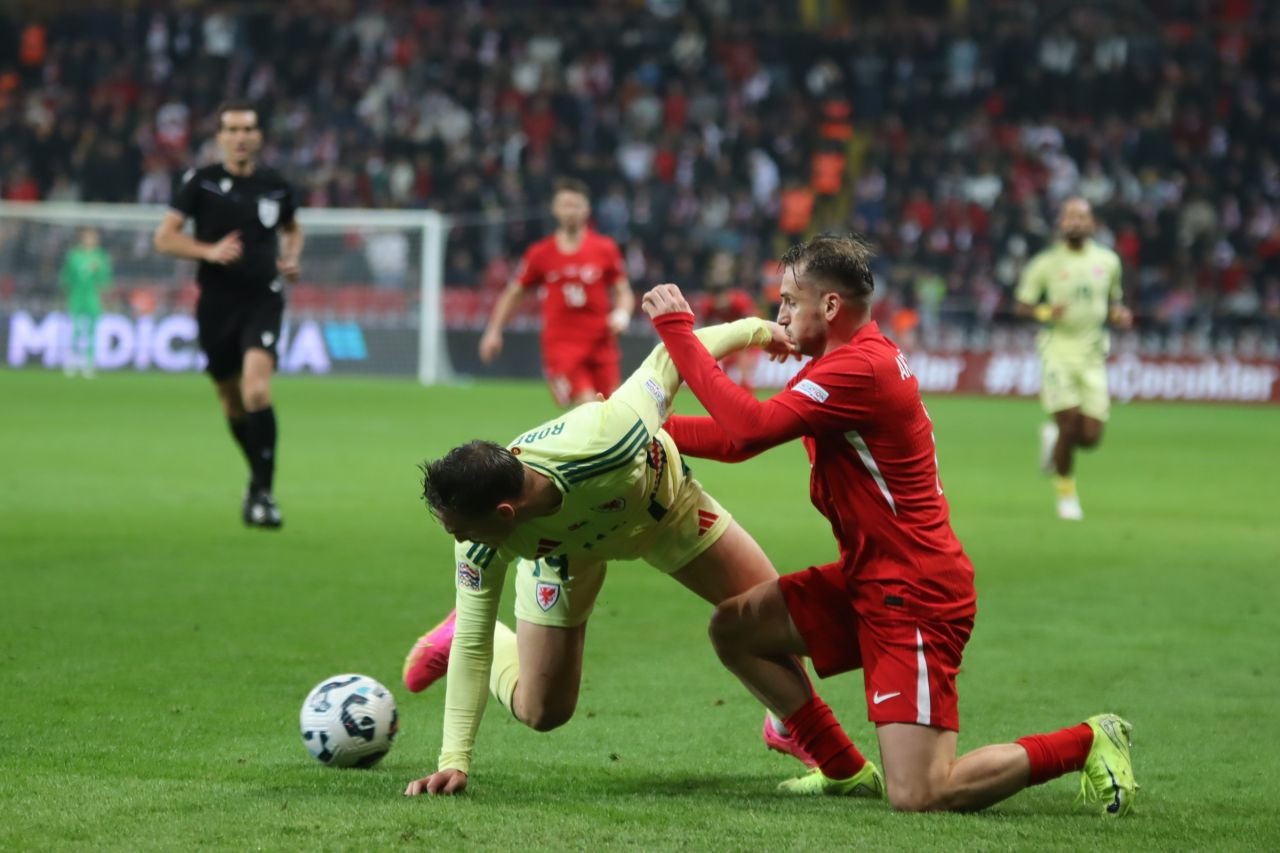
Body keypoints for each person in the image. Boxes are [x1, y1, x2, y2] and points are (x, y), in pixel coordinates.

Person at [640, 234, 1138, 815]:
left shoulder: (860, 369)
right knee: (736, 629)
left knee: (923, 792)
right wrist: (646, 429)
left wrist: (678, 330)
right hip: (870, 578)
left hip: (914, 594)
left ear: (828, 308)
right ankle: (842, 769)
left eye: (788, 302)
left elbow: (747, 430)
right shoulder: (847, 361)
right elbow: (735, 434)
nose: (778, 316)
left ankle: (1087, 739)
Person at [401, 318, 885, 798]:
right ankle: (456, 638)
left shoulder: (607, 436)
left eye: (459, 528)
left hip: (667, 511)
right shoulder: (479, 542)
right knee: (543, 711)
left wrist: (761, 331)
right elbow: (474, 640)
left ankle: (784, 723)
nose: (457, 539)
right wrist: (454, 761)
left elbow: (669, 358)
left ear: (506, 513)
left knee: (776, 620)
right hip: (564, 560)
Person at [153, 100, 303, 529]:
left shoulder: (275, 185)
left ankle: (264, 493)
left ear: (258, 136)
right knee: (231, 402)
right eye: (232, 129)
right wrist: (208, 251)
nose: (241, 137)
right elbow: (164, 238)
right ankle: (257, 480)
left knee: (257, 391)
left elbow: (292, 228)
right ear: (219, 136)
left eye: (248, 129)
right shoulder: (200, 184)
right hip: (217, 305)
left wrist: (291, 257)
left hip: (264, 299)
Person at [1015, 197, 1132, 520]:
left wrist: (1119, 314)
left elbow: (1113, 302)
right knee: (1068, 425)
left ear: (1092, 223)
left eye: (1082, 216)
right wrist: (1044, 311)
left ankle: (1053, 440)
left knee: (1090, 437)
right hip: (1058, 352)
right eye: (1070, 216)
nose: (1076, 222)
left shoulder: (1108, 261)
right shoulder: (1046, 264)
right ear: (1061, 224)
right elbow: (1021, 306)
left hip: (1093, 354)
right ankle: (1066, 494)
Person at [478, 178, 634, 406]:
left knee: (613, 413)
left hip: (602, 344)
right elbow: (514, 293)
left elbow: (623, 291)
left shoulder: (605, 248)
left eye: (576, 205)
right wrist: (493, 330)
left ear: (587, 209)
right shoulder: (540, 253)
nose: (570, 211)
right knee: (590, 408)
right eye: (565, 205)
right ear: (554, 209)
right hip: (562, 347)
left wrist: (621, 315)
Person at [60, 227, 112, 378]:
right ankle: (73, 360)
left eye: (93, 237)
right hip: (77, 295)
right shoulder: (74, 255)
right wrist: (65, 294)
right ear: (82, 239)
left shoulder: (101, 256)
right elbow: (66, 277)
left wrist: (99, 275)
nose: (90, 240)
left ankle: (89, 362)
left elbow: (105, 280)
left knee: (92, 330)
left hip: (93, 296)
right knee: (75, 328)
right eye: (88, 237)